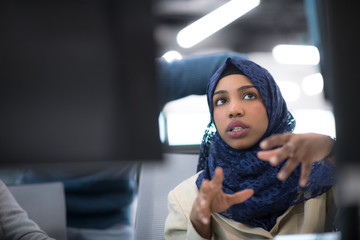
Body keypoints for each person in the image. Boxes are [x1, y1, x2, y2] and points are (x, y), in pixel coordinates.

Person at [14, 52, 247, 240]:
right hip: (32, 211)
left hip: (110, 222)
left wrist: (233, 129)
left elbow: (232, 65)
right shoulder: (35, 77)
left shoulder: (145, 77)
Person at [164, 57, 336, 239]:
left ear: (272, 105)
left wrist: (336, 151)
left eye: (249, 95)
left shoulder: (319, 176)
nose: (234, 110)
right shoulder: (186, 199)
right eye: (221, 101)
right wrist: (199, 225)